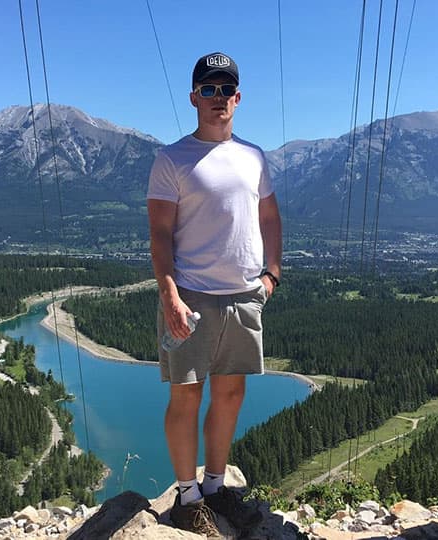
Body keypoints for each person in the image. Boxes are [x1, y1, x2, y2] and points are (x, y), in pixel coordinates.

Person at [146, 51, 283, 537]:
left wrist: (271, 274)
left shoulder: (253, 157)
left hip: (245, 296)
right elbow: (160, 234)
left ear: (238, 98)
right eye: (209, 89)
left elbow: (269, 217)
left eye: (226, 89)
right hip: (191, 297)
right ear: (194, 98)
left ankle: (216, 486)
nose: (218, 98)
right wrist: (169, 295)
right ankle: (187, 497)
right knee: (187, 396)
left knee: (231, 393)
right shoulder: (172, 159)